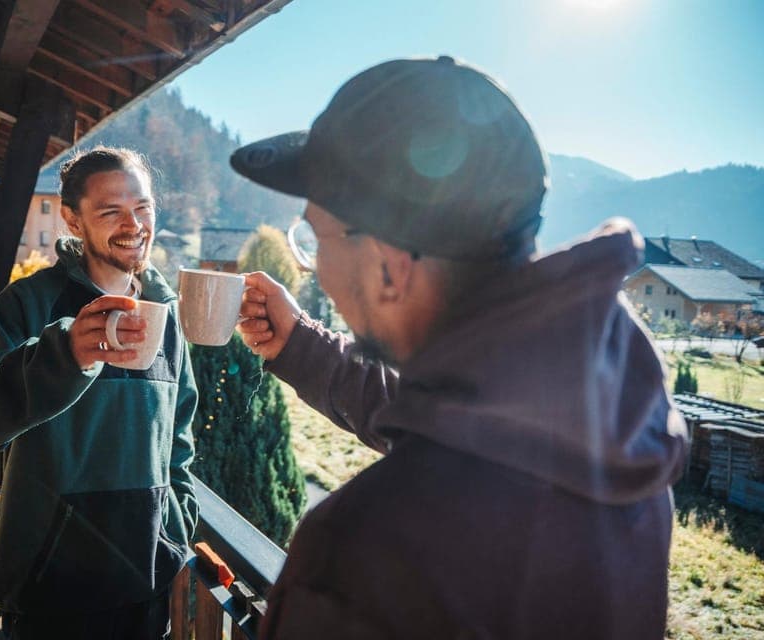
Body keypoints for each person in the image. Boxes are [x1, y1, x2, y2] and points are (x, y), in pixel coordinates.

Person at [233, 56, 688, 639]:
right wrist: (298, 345)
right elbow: (448, 416)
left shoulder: (356, 555)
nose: (312, 267)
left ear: (390, 270)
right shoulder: (619, 438)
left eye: (316, 237)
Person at [0, 146, 198, 639]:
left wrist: (175, 528)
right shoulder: (29, 303)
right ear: (73, 221)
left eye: (142, 207)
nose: (134, 224)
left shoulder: (165, 313)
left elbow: (178, 442)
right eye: (110, 211)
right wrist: (65, 355)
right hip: (49, 589)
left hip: (147, 587)